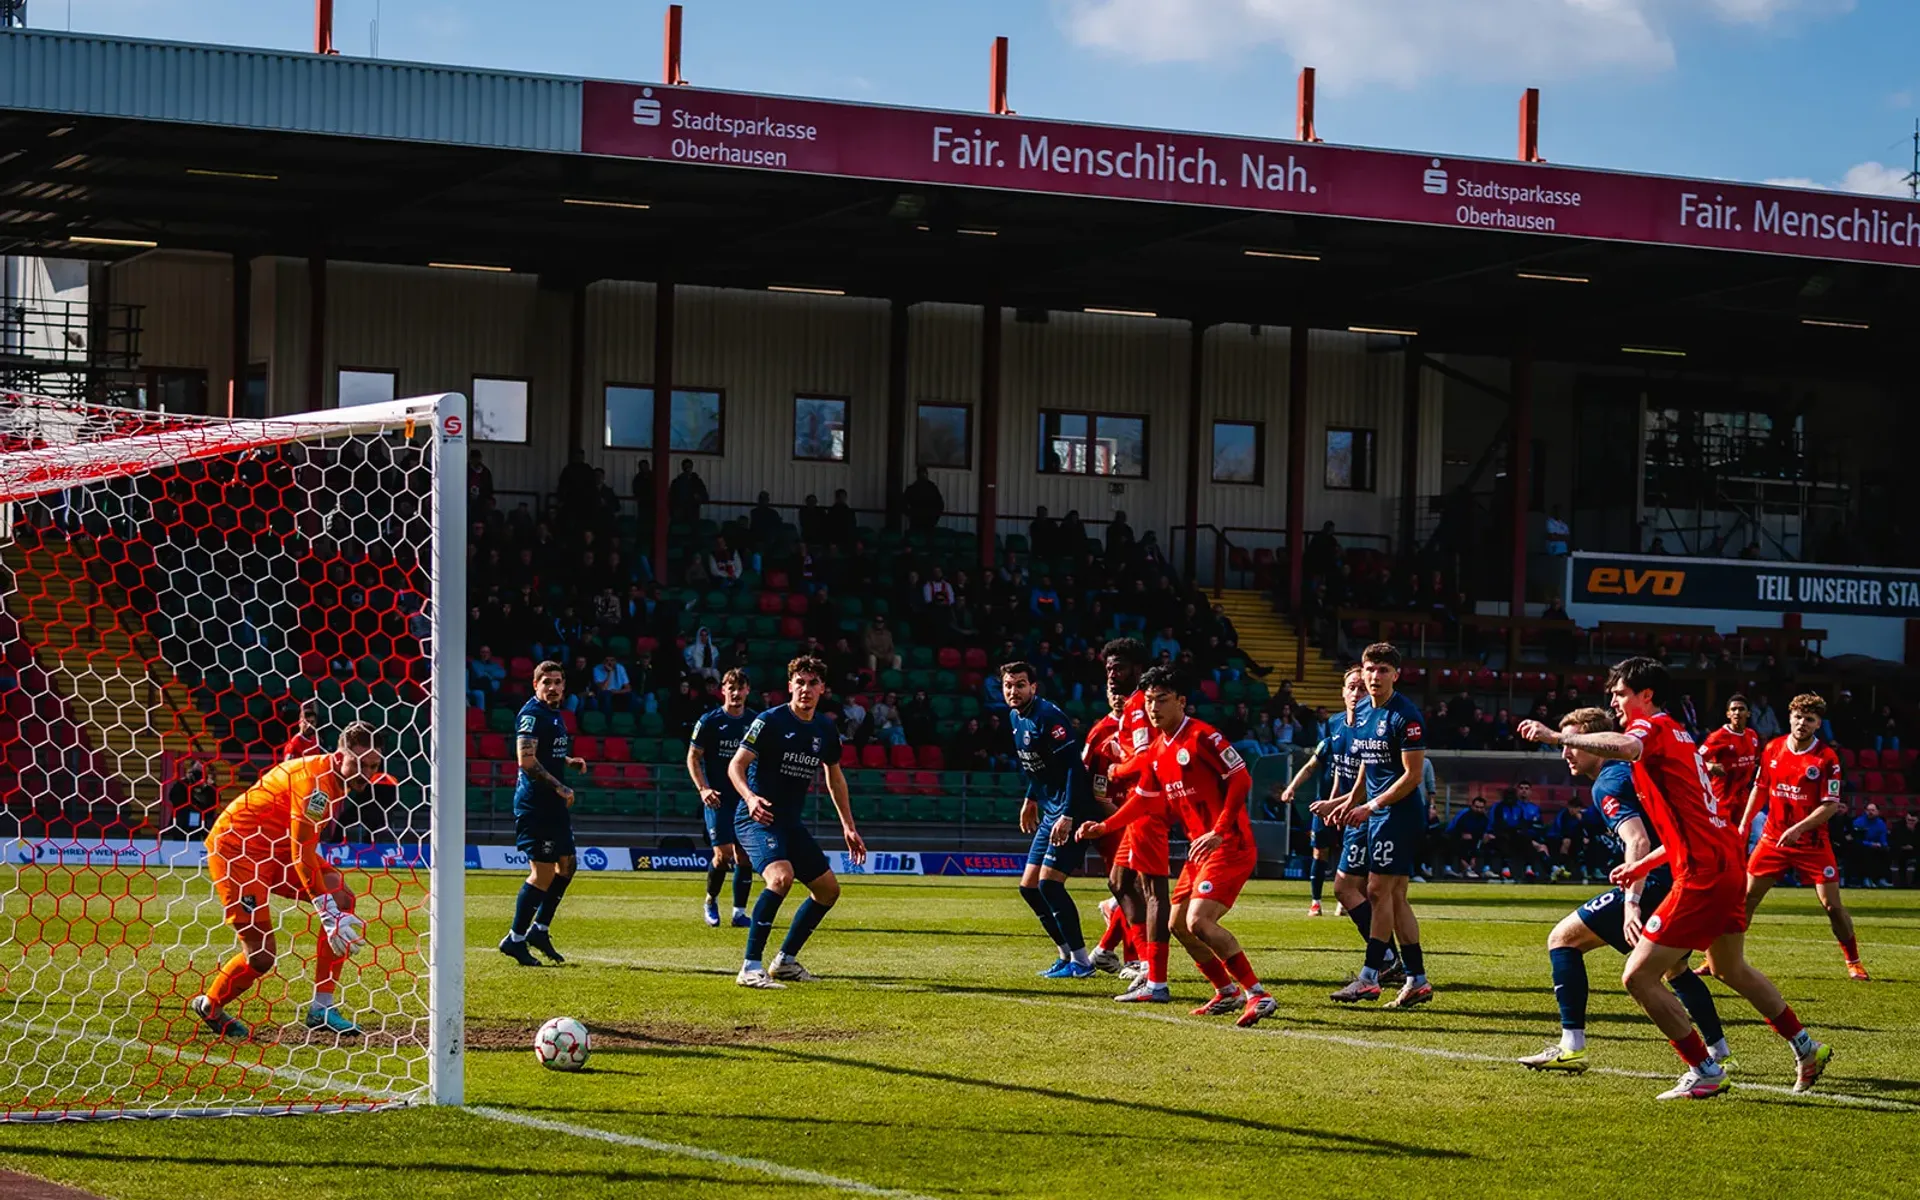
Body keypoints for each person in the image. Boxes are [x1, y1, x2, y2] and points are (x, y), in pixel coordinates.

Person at [1518, 656, 1831, 1100]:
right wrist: (1640, 867)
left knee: (1638, 977)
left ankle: (1705, 1067)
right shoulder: (1679, 737)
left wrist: (1556, 735)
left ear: (1646, 696)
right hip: (1722, 859)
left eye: (1621, 693)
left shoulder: (1654, 729)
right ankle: (1806, 1046)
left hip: (1703, 871)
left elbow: (1627, 746)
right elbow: (1684, 823)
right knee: (1728, 967)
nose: (1614, 700)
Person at [1518, 707, 1731, 1075]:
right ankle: (1719, 1048)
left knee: (1562, 939)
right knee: (1676, 968)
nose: (1566, 752)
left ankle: (1572, 1046)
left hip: (1658, 881)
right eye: (1564, 744)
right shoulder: (1629, 770)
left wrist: (1631, 902)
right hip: (1687, 875)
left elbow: (1638, 840)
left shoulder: (1608, 782)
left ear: (1598, 745)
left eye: (1574, 743)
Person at [1076, 666, 1276, 1026]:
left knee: (1199, 921)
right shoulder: (1156, 750)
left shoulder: (1203, 737)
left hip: (1229, 843)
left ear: (1182, 702)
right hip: (1201, 851)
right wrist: (1104, 826)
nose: (1154, 708)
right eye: (1149, 701)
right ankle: (1225, 991)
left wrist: (1218, 829)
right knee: (1177, 924)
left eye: (1162, 700)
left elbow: (1241, 778)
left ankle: (1257, 993)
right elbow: (1143, 799)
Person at [190, 722, 382, 1039]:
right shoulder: (316, 785)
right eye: (360, 764)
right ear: (339, 756)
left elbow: (299, 850)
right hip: (239, 851)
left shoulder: (336, 781)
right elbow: (302, 854)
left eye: (374, 765)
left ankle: (322, 1008)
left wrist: (332, 908)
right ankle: (210, 1005)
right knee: (262, 956)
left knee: (342, 898)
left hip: (276, 849)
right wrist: (326, 911)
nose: (368, 772)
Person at [727, 656, 869, 988]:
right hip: (756, 818)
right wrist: (749, 798)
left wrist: (848, 826)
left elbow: (835, 779)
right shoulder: (769, 720)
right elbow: (736, 766)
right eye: (800, 682)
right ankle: (749, 967)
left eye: (813, 683)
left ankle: (785, 961)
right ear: (790, 685)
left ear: (822, 689)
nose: (806, 689)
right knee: (781, 877)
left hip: (789, 822)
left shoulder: (824, 729)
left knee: (828, 891)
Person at [1314, 643, 1431, 1008]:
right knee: (1387, 896)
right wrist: (1348, 801)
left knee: (1380, 891)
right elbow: (1368, 763)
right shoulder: (1363, 712)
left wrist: (1371, 805)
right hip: (1372, 811)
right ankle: (1417, 979)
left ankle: (1370, 976)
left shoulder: (1406, 716)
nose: (1374, 676)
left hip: (1398, 814)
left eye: (1383, 670)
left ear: (1396, 675)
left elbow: (1411, 777)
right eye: (1370, 669)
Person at [1737, 692, 1867, 981]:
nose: (1802, 723)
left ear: (1818, 724)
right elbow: (1759, 788)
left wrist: (1798, 829)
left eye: (1809, 719)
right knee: (1745, 898)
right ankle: (1723, 958)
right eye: (1798, 717)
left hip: (1812, 843)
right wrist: (1745, 822)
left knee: (1832, 906)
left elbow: (1830, 805)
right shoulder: (1772, 748)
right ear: (1790, 717)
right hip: (1772, 839)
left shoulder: (1826, 758)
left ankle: (1854, 961)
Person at [1003, 661, 1097, 979]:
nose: (1013, 691)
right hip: (1050, 809)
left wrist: (1069, 815)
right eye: (1008, 685)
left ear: (1033, 687)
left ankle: (1083, 963)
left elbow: (1073, 768)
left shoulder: (1049, 717)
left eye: (1019, 684)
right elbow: (1039, 766)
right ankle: (1065, 955)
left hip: (1072, 809)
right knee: (1029, 888)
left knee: (1049, 885)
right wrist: (1031, 798)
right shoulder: (1016, 717)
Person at [1080, 639, 1163, 985]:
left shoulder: (1139, 707)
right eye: (1109, 670)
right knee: (1120, 883)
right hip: (1126, 808)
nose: (1113, 677)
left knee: (1149, 891)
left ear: (1138, 671)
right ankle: (1135, 960)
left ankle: (1150, 971)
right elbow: (1090, 774)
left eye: (1120, 668)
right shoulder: (1118, 717)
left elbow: (1144, 758)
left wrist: (1120, 769)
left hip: (1142, 805)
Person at [498, 662, 588, 967]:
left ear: (564, 686)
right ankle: (515, 939)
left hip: (553, 806)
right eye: (546, 682)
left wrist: (568, 760)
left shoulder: (553, 714)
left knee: (568, 866)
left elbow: (548, 752)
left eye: (558, 682)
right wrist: (560, 785)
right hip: (536, 806)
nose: (552, 687)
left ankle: (540, 929)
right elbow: (526, 760)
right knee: (543, 874)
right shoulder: (532, 715)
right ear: (535, 685)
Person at [689, 669, 756, 930]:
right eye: (731, 688)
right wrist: (703, 789)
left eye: (741, 688)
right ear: (723, 691)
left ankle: (739, 912)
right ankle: (710, 900)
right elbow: (693, 757)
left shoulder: (755, 722)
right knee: (723, 855)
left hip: (744, 799)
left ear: (747, 691)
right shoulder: (710, 721)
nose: (736, 693)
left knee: (745, 856)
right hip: (717, 798)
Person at [1702, 694, 1762, 831]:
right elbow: (1694, 760)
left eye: (1741, 709)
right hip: (1722, 798)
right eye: (1733, 709)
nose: (1737, 712)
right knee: (1723, 839)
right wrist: (1710, 766)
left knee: (1742, 839)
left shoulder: (1752, 735)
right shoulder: (1718, 737)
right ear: (1728, 714)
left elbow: (1756, 761)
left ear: (1748, 713)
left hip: (1743, 799)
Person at [1445, 798, 1492, 878]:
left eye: (1481, 808)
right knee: (1461, 841)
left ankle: (1485, 870)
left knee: (1487, 840)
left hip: (1473, 840)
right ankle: (1453, 869)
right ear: (1472, 806)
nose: (1479, 810)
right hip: (1455, 836)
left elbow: (1480, 834)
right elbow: (1456, 829)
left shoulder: (1484, 819)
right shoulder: (1464, 814)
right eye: (1477, 807)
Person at [1853, 804, 1892, 888]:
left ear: (1878, 812)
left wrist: (1883, 845)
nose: (1870, 812)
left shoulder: (1880, 823)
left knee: (1886, 851)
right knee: (1866, 852)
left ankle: (1881, 879)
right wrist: (1870, 844)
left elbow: (1883, 837)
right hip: (1862, 846)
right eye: (1868, 810)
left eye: (1872, 810)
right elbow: (1857, 839)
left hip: (1877, 846)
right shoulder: (1859, 822)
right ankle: (1866, 878)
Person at [902, 466, 945, 534]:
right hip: (927, 521)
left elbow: (903, 505)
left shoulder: (912, 489)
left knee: (915, 541)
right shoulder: (932, 488)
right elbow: (940, 505)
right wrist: (934, 518)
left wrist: (910, 514)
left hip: (917, 520)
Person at [668, 458, 708, 524]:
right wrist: (673, 512)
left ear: (692, 467)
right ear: (682, 468)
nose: (687, 468)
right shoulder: (676, 482)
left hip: (692, 514)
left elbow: (705, 497)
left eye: (689, 466)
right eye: (686, 467)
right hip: (680, 514)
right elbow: (671, 498)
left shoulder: (697, 481)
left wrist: (699, 497)